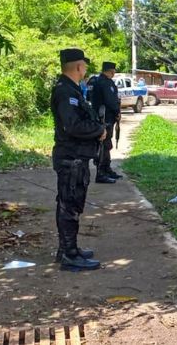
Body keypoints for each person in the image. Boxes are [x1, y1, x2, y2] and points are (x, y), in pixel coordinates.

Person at [51, 48, 106, 271]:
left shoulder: (72, 89)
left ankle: (67, 249)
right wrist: (98, 131)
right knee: (69, 206)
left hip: (75, 157)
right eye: (84, 65)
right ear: (78, 66)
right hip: (71, 157)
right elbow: (72, 125)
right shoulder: (66, 91)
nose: (85, 69)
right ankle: (70, 254)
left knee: (69, 204)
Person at [91, 61, 122, 183]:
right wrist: (117, 112)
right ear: (111, 71)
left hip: (103, 117)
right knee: (103, 145)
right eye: (113, 71)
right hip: (105, 118)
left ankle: (106, 169)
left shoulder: (98, 81)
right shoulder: (104, 83)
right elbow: (110, 101)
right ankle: (101, 172)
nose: (114, 73)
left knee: (107, 144)